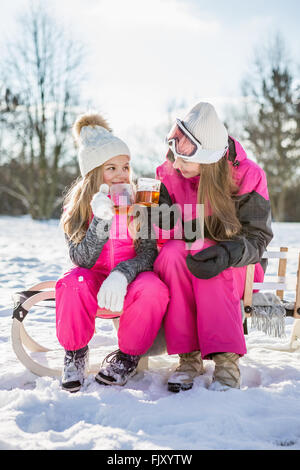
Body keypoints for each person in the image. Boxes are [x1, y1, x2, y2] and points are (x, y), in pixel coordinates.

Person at [153, 102, 273, 392]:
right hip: (186, 257)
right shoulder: (170, 174)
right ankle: (189, 357)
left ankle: (226, 361)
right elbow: (162, 233)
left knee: (212, 261)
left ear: (208, 160)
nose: (176, 164)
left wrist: (229, 252)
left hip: (239, 262)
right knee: (170, 254)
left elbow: (258, 237)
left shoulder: (248, 176)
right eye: (175, 154)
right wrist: (148, 219)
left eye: (184, 159)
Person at [56, 113, 169, 392]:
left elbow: (147, 256)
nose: (121, 175)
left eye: (125, 167)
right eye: (111, 168)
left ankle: (127, 356)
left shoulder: (139, 203)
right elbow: (81, 259)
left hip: (128, 282)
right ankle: (75, 353)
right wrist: (100, 221)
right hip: (93, 282)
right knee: (72, 281)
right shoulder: (78, 209)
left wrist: (122, 273)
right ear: (94, 173)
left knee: (154, 288)